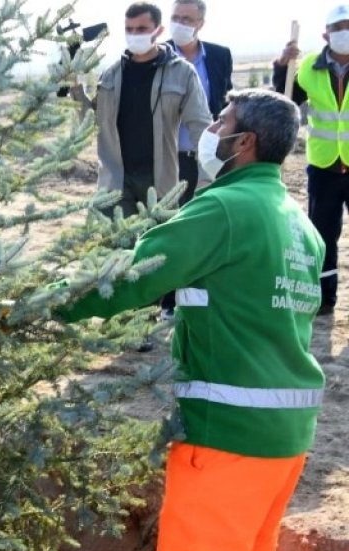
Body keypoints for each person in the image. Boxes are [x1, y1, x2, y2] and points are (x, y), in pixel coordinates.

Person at [55, 89, 322, 551]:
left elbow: (134, 274)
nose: (209, 129)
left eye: (220, 121)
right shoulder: (301, 224)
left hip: (228, 435)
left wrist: (43, 301)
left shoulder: (223, 208)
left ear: (243, 142)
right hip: (288, 434)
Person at [73, 2, 212, 217]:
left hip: (160, 183)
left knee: (158, 247)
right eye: (129, 29)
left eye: (142, 29)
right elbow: (91, 123)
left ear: (159, 31)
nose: (134, 34)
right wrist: (74, 87)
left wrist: (205, 176)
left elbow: (201, 127)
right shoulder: (111, 74)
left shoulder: (181, 73)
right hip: (115, 183)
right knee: (114, 247)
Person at [273, 3, 349, 317]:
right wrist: (281, 65)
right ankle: (324, 297)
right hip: (324, 166)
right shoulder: (307, 68)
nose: (345, 33)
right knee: (322, 234)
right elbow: (284, 100)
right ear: (326, 35)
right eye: (339, 28)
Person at [158, 0, 233, 318]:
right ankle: (165, 304)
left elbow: (224, 100)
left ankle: (191, 300)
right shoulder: (157, 55)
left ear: (201, 22)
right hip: (167, 157)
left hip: (206, 157)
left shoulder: (219, 56)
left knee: (199, 229)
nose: (179, 23)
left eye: (186, 18)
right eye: (175, 17)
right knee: (166, 228)